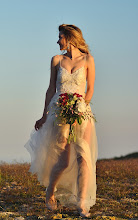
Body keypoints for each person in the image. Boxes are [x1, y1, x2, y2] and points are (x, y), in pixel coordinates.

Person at [25, 24, 98, 217]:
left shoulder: (88, 59)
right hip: (60, 113)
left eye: (60, 37)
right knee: (64, 161)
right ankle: (50, 191)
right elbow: (51, 89)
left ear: (70, 37)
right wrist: (44, 115)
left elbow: (89, 89)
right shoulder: (56, 60)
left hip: (82, 113)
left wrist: (81, 107)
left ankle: (82, 204)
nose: (58, 41)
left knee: (84, 158)